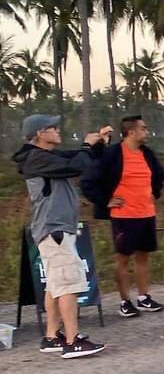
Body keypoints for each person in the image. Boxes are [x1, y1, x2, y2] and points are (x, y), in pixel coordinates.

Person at [13, 115, 110, 358]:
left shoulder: (45, 157)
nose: (58, 131)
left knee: (56, 285)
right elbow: (76, 164)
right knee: (68, 284)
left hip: (55, 228)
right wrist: (87, 146)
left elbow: (80, 159)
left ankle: (51, 336)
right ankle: (72, 340)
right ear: (39, 134)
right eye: (52, 128)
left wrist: (97, 144)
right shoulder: (36, 158)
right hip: (54, 229)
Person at [81, 115, 164, 317]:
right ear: (131, 132)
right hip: (124, 216)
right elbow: (89, 181)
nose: (147, 132)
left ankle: (144, 297)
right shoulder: (113, 154)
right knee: (123, 259)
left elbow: (159, 175)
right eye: (143, 129)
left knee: (143, 256)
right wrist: (104, 200)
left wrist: (155, 192)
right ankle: (125, 301)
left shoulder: (147, 154)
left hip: (146, 213)